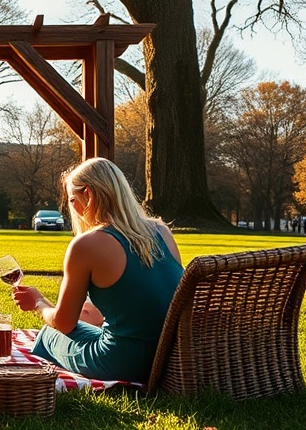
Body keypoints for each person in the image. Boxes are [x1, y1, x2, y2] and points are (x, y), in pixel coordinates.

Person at [11, 158, 183, 382]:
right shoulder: (161, 231)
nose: (73, 207)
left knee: (49, 333)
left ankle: (37, 386)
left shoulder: (88, 244)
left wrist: (38, 302)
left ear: (88, 195)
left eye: (73, 199)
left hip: (123, 362)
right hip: (169, 358)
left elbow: (64, 323)